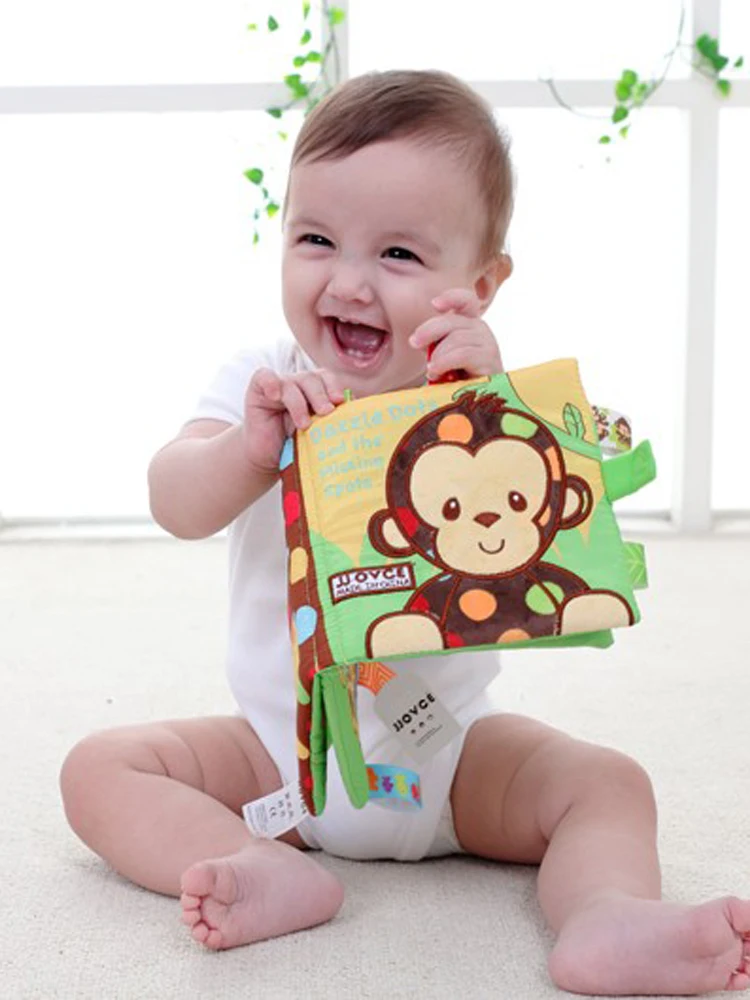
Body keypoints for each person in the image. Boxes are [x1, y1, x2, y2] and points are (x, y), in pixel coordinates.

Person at [60, 69, 750, 996]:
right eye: (316, 239)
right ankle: (261, 865)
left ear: (480, 285)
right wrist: (248, 451)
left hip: (451, 755)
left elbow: (548, 523)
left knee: (608, 782)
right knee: (99, 769)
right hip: (281, 753)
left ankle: (604, 913)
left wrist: (496, 403)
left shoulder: (476, 401)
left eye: (397, 254)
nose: (347, 282)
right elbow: (173, 500)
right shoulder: (263, 382)